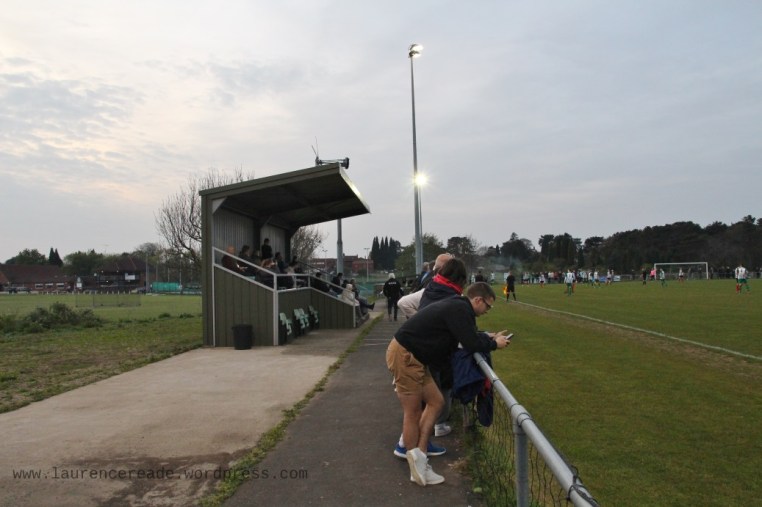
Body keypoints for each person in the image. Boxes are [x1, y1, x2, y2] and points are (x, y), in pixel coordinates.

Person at [386, 282, 511, 486]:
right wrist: (494, 344)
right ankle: (416, 467)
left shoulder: (459, 307)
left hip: (415, 357)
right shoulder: (460, 309)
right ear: (478, 300)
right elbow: (471, 344)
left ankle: (421, 458)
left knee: (436, 402)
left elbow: (466, 335)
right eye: (488, 306)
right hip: (406, 355)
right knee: (413, 412)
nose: (487, 310)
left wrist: (485, 336)